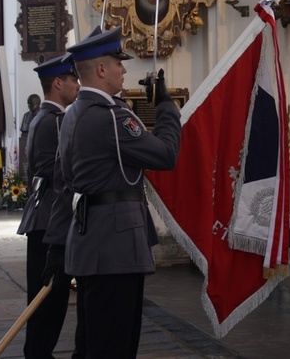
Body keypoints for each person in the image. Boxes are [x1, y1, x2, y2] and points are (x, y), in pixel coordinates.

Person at [51, 26, 181, 358]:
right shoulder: (112, 118)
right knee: (115, 345)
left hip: (91, 241)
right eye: (118, 63)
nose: (125, 70)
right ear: (101, 69)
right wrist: (165, 105)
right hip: (116, 249)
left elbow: (64, 178)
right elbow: (165, 154)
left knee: (92, 342)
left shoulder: (72, 114)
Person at [16, 54, 80, 359]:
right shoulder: (56, 121)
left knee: (45, 302)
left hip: (42, 215)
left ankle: (39, 353)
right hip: (50, 220)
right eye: (73, 79)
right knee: (48, 302)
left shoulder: (43, 118)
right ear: (58, 83)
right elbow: (64, 173)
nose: (78, 85)